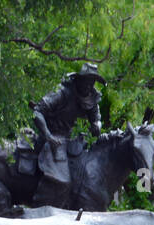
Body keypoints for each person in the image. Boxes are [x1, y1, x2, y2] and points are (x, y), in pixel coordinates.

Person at [30, 64, 104, 205]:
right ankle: (43, 206)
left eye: (92, 82)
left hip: (68, 140)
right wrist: (48, 135)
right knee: (62, 180)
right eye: (87, 81)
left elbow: (97, 119)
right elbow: (38, 112)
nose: (89, 85)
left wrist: (96, 126)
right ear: (79, 79)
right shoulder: (62, 92)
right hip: (52, 137)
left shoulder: (91, 98)